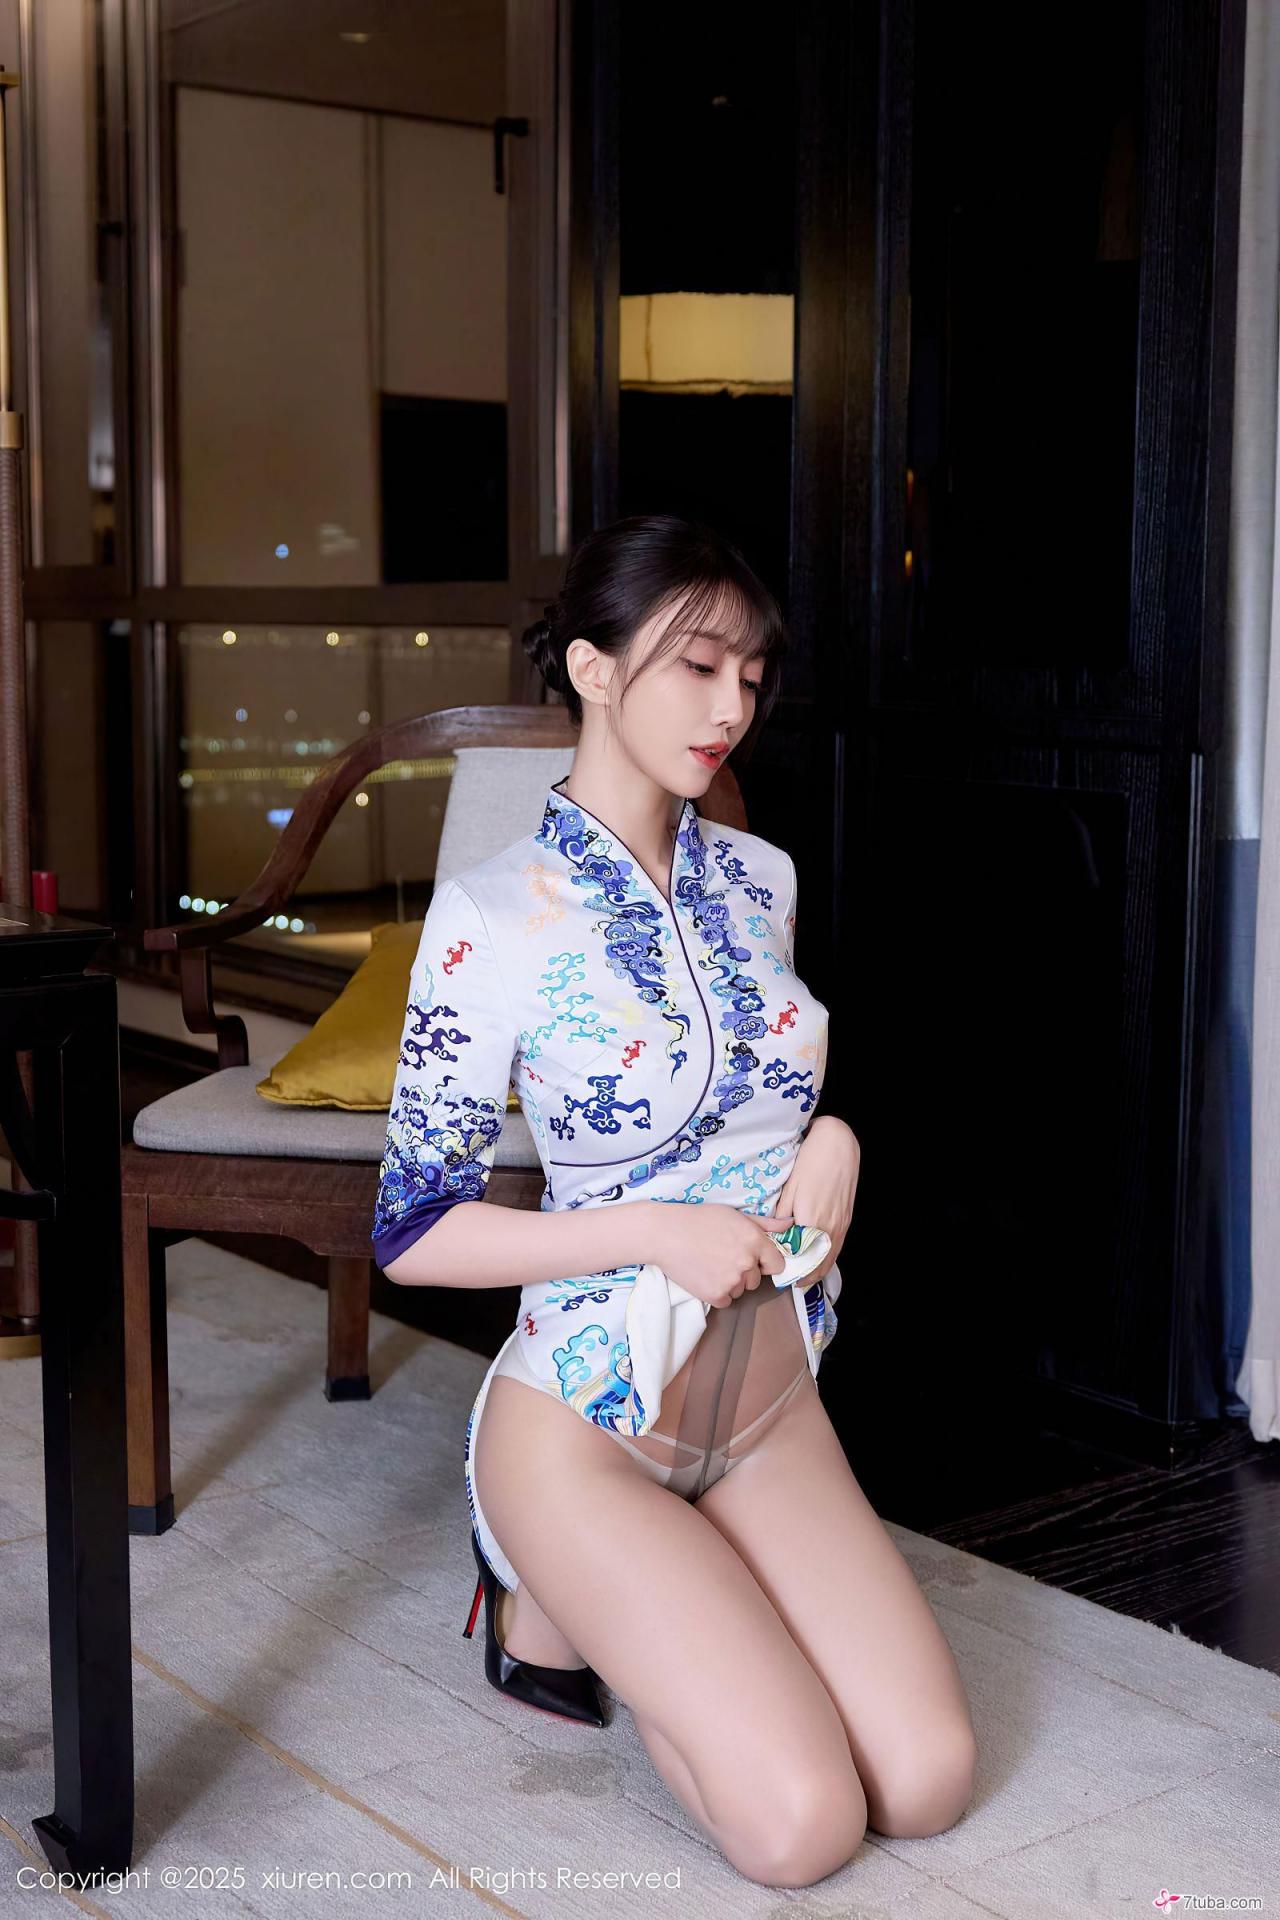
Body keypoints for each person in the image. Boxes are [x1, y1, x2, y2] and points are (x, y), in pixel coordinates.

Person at [370, 514, 977, 1888]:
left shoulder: (763, 882)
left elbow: (762, 1101)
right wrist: (651, 1231)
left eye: (751, 676)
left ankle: (647, 1593)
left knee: (927, 1783)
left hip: (768, 1407)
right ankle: (541, 1589)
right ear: (593, 669)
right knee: (804, 1826)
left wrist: (839, 1135)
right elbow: (413, 1235)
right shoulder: (492, 918)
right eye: (697, 667)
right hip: (587, 1425)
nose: (731, 707)